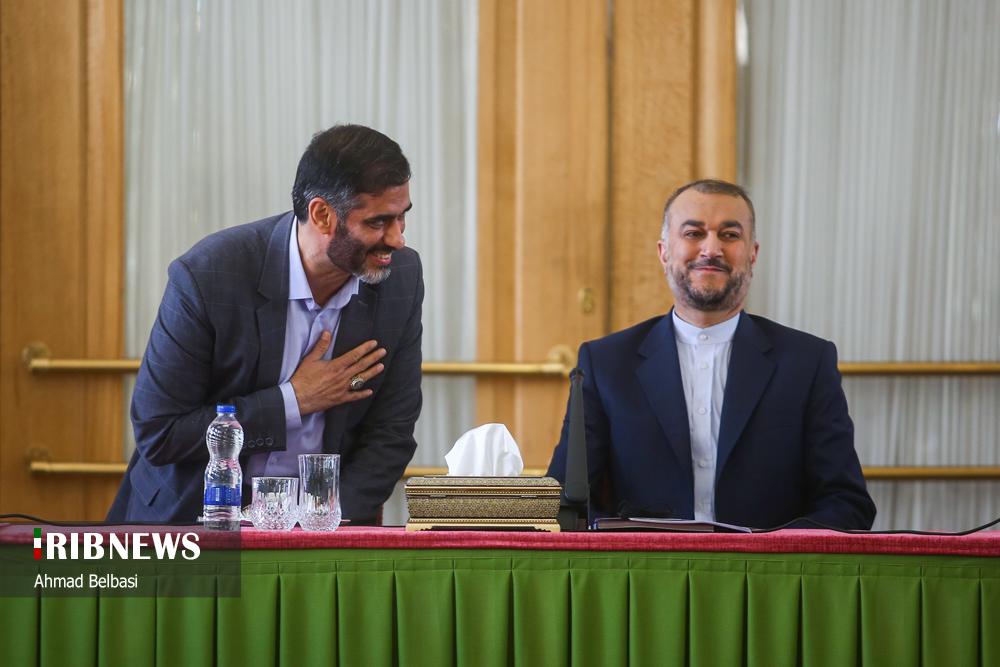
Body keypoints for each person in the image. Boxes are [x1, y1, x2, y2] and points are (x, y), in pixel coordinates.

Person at [108, 124, 423, 525]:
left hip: (322, 531)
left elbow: (391, 432)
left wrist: (325, 523)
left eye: (402, 217)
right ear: (322, 215)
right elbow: (160, 431)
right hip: (190, 521)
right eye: (379, 222)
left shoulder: (401, 278)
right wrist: (294, 400)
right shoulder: (210, 274)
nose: (397, 239)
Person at [548, 179, 875, 529]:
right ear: (664, 252)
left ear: (752, 254)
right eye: (693, 233)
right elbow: (566, 502)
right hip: (644, 562)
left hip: (767, 562)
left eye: (730, 235)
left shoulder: (807, 362)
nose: (711, 249)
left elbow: (846, 502)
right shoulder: (605, 363)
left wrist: (773, 550)